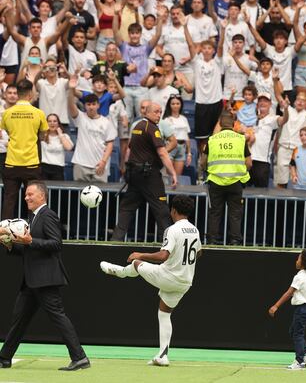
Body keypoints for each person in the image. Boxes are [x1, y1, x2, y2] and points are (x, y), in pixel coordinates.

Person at [101, 194, 201, 366]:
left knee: (137, 263)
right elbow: (199, 253)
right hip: (185, 281)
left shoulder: (173, 229)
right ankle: (162, 355)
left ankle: (119, 272)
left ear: (173, 210)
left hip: (168, 277)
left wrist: (140, 253)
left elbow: (163, 255)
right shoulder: (195, 230)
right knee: (164, 313)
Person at [0, 181, 90, 371]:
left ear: (42, 196)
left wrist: (30, 241)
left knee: (58, 317)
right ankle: (4, 358)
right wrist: (10, 246)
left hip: (45, 278)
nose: (26, 197)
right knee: (19, 320)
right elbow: (28, 249)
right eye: (26, 195)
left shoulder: (48, 215)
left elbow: (56, 244)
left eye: (30, 194)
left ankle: (80, 357)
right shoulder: (32, 218)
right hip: (31, 280)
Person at [111, 102, 177, 242]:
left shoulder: (137, 126)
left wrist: (125, 166)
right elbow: (163, 152)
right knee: (162, 211)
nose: (159, 115)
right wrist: (173, 173)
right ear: (146, 112)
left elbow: (130, 149)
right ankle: (167, 246)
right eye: (155, 112)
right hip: (149, 175)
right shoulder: (152, 128)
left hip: (134, 174)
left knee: (127, 209)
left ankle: (115, 242)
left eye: (160, 112)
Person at [202, 110, 252, 245]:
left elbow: (203, 162)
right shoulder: (241, 139)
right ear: (234, 124)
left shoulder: (212, 140)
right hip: (236, 182)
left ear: (220, 123)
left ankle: (212, 241)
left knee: (215, 212)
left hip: (215, 182)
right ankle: (235, 241)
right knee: (235, 213)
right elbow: (249, 163)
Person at [1, 79, 48, 220]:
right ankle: (32, 236)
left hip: (11, 163)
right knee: (34, 202)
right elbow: (43, 135)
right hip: (31, 164)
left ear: (18, 94)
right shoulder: (38, 113)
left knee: (9, 201)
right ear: (30, 94)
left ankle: (4, 238)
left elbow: (7, 133)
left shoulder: (7, 113)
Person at [268, 250, 306, 370]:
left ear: (304, 262)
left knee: (297, 334)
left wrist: (275, 306)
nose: (296, 261)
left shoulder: (300, 276)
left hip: (302, 309)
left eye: (298, 258)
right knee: (293, 331)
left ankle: (299, 361)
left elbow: (289, 293)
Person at [68, 77, 116, 183]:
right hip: (81, 163)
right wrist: (71, 90)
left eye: (93, 104)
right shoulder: (80, 117)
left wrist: (103, 162)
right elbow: (71, 105)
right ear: (84, 105)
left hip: (99, 165)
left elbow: (110, 144)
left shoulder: (106, 122)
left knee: (99, 196)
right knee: (79, 196)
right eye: (88, 104)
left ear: (98, 105)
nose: (91, 107)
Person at [40, 114, 74, 181]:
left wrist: (60, 134)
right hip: (44, 167)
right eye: (49, 121)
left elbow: (69, 147)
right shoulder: (42, 136)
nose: (52, 123)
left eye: (55, 121)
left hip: (58, 168)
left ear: (58, 123)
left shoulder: (64, 136)